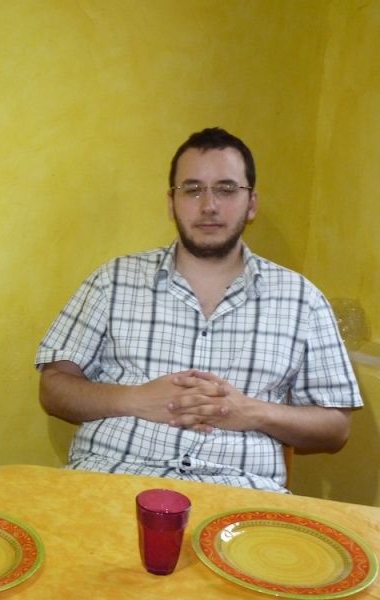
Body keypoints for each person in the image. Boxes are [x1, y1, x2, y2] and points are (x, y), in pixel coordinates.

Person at [35, 126, 362, 493]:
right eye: (192, 189)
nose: (209, 206)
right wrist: (135, 399)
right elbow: (54, 388)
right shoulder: (113, 280)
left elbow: (336, 428)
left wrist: (251, 412)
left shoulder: (302, 299)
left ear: (252, 203)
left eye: (226, 189)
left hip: (239, 495)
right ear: (171, 202)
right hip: (111, 481)